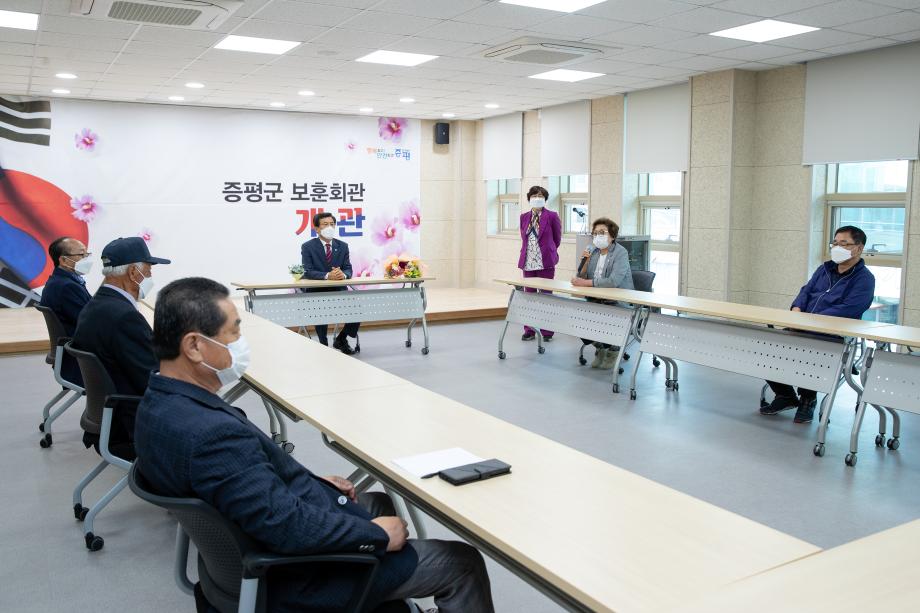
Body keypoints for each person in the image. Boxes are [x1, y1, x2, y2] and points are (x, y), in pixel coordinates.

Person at [134, 277, 494, 613]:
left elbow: (241, 485)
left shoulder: (158, 404)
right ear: (194, 346)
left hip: (240, 556)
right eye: (234, 332)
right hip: (293, 579)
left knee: (378, 502)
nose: (241, 342)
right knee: (461, 562)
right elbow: (285, 525)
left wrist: (314, 483)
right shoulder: (212, 435)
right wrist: (376, 536)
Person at [760, 225, 875, 424]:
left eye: (844, 244)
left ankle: (808, 399)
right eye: (835, 243)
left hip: (832, 334)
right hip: (802, 327)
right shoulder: (824, 269)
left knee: (810, 352)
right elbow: (806, 291)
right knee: (764, 347)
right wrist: (797, 309)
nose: (837, 247)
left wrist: (810, 322)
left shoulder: (864, 279)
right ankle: (785, 396)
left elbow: (850, 308)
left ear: (858, 248)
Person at [72, 237, 170, 453]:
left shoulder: (96, 307)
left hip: (111, 415)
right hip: (132, 423)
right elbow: (153, 379)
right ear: (134, 272)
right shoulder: (124, 317)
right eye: (149, 271)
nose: (150, 277)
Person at [571, 218, 634, 370]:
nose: (597, 236)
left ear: (612, 235)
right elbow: (583, 277)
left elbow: (613, 281)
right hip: (596, 300)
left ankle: (613, 350)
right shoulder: (593, 251)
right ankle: (601, 347)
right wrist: (585, 263)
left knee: (603, 319)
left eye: (602, 232)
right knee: (577, 319)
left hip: (617, 301)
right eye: (595, 233)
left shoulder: (620, 252)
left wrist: (584, 283)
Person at [301, 212, 360, 354]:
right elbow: (307, 271)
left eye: (332, 224)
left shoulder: (343, 245)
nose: (330, 227)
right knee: (320, 310)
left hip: (338, 289)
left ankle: (341, 339)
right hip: (317, 291)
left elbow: (348, 268)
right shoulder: (308, 246)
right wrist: (328, 275)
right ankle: (323, 345)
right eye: (325, 224)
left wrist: (343, 274)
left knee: (357, 309)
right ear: (317, 228)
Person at [39, 237, 93, 384]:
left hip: (74, 354)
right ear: (63, 260)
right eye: (82, 254)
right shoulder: (66, 288)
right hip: (80, 361)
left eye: (87, 254)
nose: (86, 258)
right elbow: (91, 323)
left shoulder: (61, 282)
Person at [517, 185, 562, 342]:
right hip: (528, 262)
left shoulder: (552, 216)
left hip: (545, 262)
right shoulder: (523, 217)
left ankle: (547, 331)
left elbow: (557, 239)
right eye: (534, 196)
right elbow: (524, 238)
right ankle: (529, 329)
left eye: (541, 196)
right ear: (529, 199)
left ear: (545, 199)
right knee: (529, 297)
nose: (537, 198)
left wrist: (548, 251)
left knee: (546, 297)